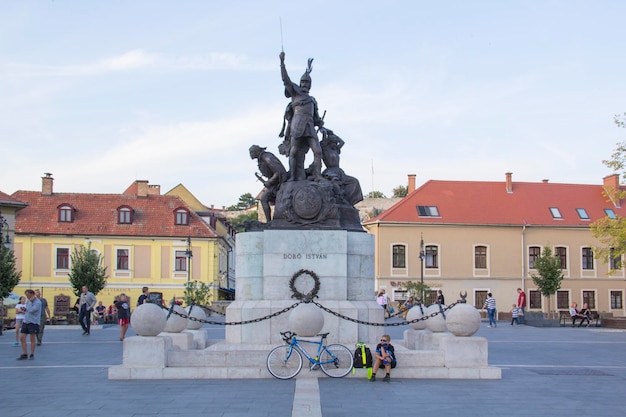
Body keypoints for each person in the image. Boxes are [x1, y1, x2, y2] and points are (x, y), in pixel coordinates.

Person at [279, 51, 324, 182]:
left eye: (307, 83)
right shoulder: (295, 93)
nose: (305, 84)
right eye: (303, 82)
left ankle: (317, 175)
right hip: (297, 125)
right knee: (293, 152)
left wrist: (320, 122)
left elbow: (316, 118)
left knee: (318, 151)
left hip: (309, 126)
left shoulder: (312, 100)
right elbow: (285, 80)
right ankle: (293, 177)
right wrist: (282, 63)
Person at [249, 145, 288, 221]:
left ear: (256, 151)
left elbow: (278, 172)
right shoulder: (262, 158)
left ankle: (271, 221)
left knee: (265, 199)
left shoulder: (267, 157)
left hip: (280, 184)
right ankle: (269, 222)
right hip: (274, 184)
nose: (250, 155)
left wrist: (269, 182)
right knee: (264, 199)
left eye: (251, 153)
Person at [17, 289, 41, 360]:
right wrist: (24, 309)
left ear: (32, 294)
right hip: (26, 321)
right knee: (22, 337)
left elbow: (31, 310)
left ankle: (32, 354)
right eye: (26, 295)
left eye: (28, 295)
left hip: (33, 322)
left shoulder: (38, 302)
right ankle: (24, 353)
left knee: (32, 338)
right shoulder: (29, 301)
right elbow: (28, 309)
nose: (27, 297)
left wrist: (29, 302)